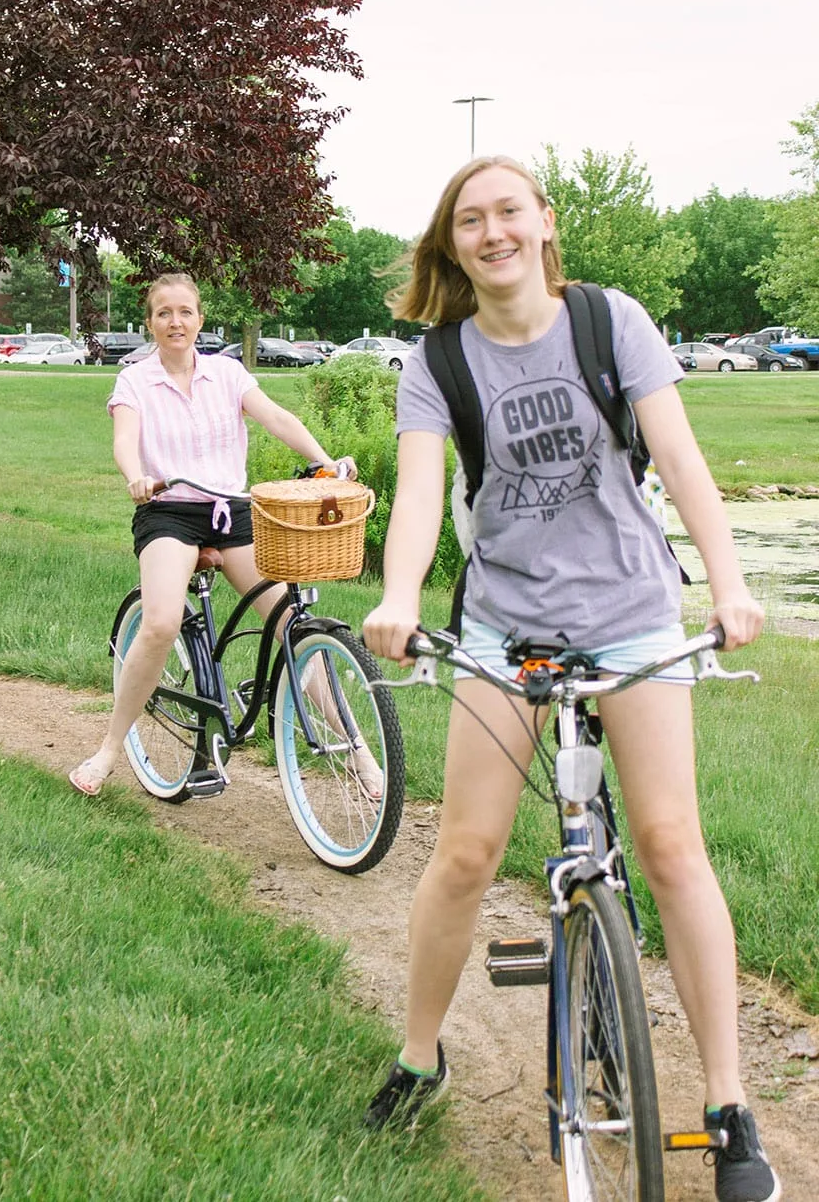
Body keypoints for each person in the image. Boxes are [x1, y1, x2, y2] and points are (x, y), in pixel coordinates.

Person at [360, 158, 779, 1202]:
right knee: (464, 851)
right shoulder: (438, 360)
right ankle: (419, 1058)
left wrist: (728, 588)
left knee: (673, 848)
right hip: (505, 626)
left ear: (545, 224)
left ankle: (728, 1109)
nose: (493, 232)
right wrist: (399, 597)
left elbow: (680, 462)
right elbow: (417, 494)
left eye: (510, 211)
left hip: (632, 612)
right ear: (451, 243)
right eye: (471, 220)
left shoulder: (607, 321)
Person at [69, 271, 377, 800]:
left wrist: (324, 462)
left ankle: (360, 752)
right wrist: (135, 476)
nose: (175, 322)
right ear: (150, 322)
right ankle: (109, 749)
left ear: (200, 318)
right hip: (166, 508)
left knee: (291, 625)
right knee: (163, 622)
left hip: (230, 512)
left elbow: (277, 418)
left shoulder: (228, 373)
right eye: (164, 313)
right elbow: (126, 439)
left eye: (185, 311)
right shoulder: (135, 381)